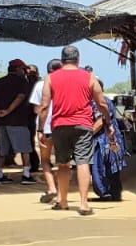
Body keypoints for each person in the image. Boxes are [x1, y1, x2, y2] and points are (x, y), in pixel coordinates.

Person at [38, 45, 109, 215]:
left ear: (62, 61)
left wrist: (41, 129)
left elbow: (44, 106)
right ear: (78, 60)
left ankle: (62, 201)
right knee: (83, 162)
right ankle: (84, 204)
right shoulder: (89, 77)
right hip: (83, 125)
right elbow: (101, 103)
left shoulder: (50, 78)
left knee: (63, 164)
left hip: (60, 125)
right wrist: (108, 120)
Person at [0, 58, 36, 185]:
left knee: (1, 149)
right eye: (23, 69)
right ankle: (26, 175)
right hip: (18, 121)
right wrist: (8, 110)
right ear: (17, 69)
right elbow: (20, 97)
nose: (24, 72)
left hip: (1, 121)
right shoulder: (22, 82)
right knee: (25, 149)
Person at [30, 59, 62, 203]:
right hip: (64, 126)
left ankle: (51, 188)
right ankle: (62, 192)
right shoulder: (66, 84)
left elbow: (37, 108)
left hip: (46, 128)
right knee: (63, 161)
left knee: (45, 160)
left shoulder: (40, 85)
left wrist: (40, 129)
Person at [91, 95, 127, 202]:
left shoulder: (97, 101)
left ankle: (105, 192)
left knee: (100, 167)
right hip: (111, 139)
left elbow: (100, 122)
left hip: (104, 139)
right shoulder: (103, 100)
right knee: (113, 166)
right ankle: (113, 193)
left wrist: (87, 135)